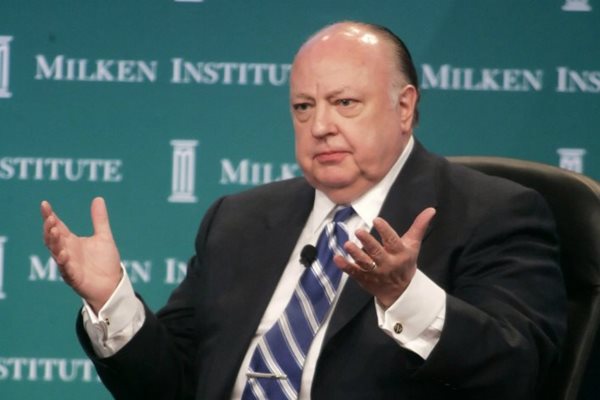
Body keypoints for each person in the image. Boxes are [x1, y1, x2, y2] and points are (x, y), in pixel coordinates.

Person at [41, 21, 566, 399]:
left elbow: (519, 370)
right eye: (303, 107)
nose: (320, 127)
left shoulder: (492, 213)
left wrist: (406, 296)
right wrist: (111, 299)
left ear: (404, 107)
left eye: (345, 103)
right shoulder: (238, 221)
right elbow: (172, 383)